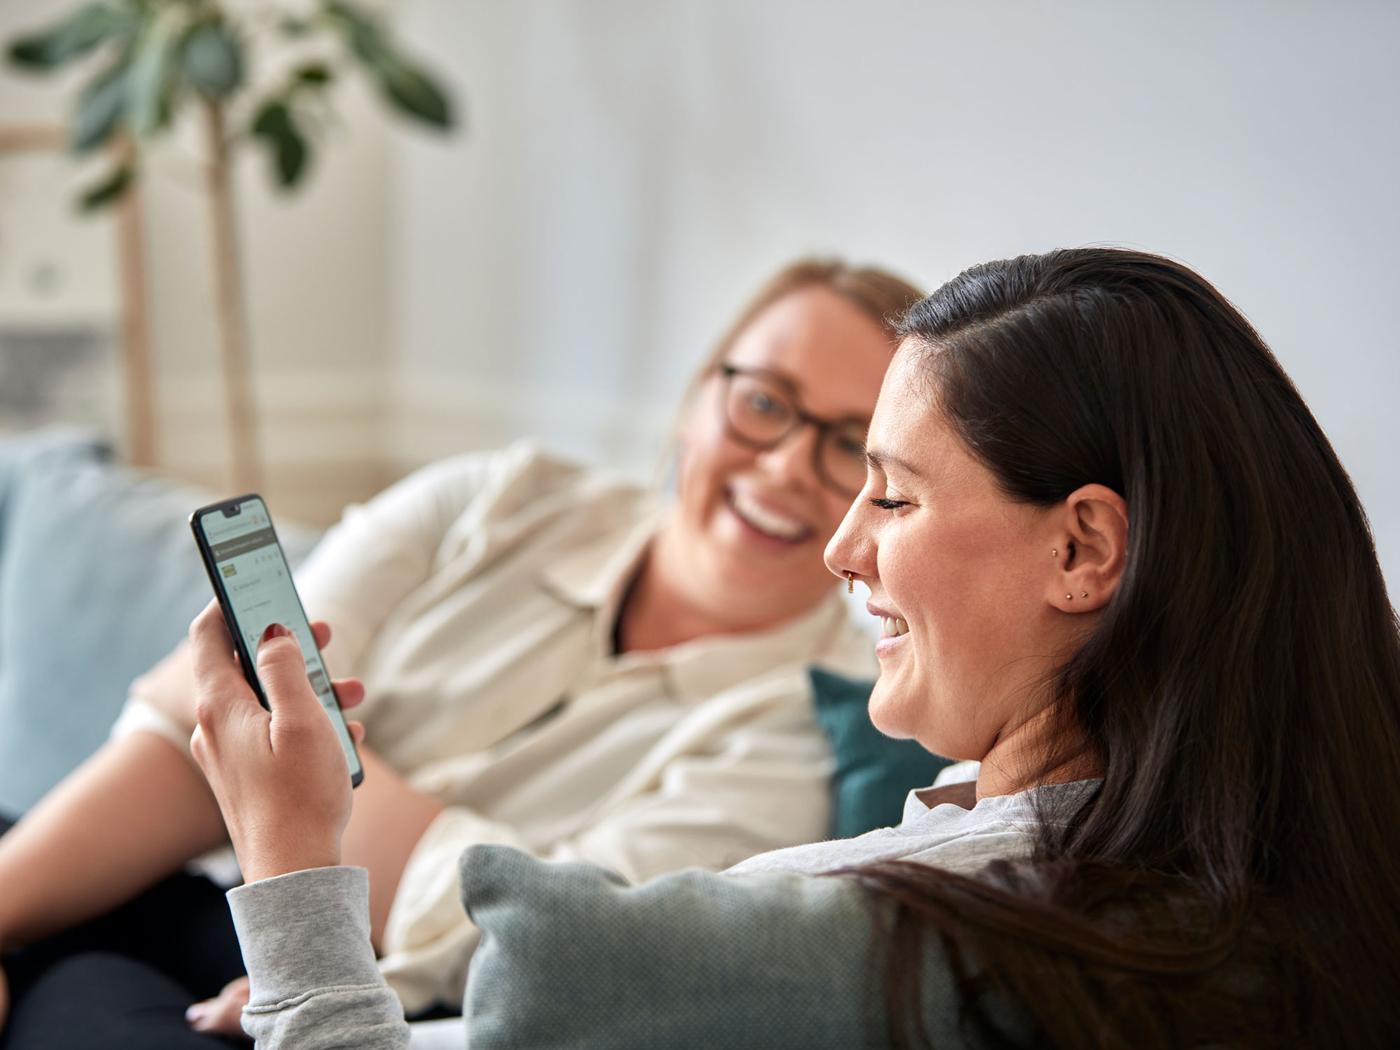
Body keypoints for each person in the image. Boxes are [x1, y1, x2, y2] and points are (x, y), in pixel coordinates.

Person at [184, 248, 1397, 1048]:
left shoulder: (877, 945)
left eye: (892, 494)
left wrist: (292, 862)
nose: (840, 548)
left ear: (1083, 550)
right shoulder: (1252, 887)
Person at [0, 258, 925, 1048]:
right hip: (141, 870)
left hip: (330, 988)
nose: (787, 468)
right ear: (696, 400)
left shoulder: (811, 726)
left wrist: (294, 778)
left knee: (80, 994)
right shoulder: (495, 498)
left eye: (850, 443)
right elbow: (200, 719)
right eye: (764, 403)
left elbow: (541, 938)